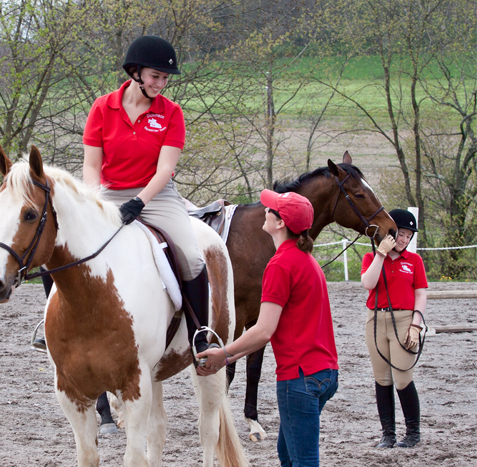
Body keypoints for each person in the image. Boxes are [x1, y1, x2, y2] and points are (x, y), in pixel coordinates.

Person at [82, 34, 216, 360]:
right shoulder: (102, 107)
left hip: (156, 196)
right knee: (65, 241)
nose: (161, 83)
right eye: (156, 76)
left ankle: (201, 332)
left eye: (165, 78)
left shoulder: (172, 113)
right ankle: (50, 323)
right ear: (136, 72)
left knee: (190, 253)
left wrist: (139, 202)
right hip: (110, 193)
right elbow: (91, 164)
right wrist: (91, 201)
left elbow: (165, 169)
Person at [197, 190, 339, 467]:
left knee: (303, 461)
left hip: (298, 378)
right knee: (287, 453)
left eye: (271, 208)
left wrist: (223, 352)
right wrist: (229, 358)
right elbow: (270, 330)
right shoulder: (308, 262)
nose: (265, 209)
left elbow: (262, 330)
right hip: (324, 373)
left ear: (280, 223)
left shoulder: (279, 265)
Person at [360, 209, 427, 449]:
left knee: (402, 377)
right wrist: (381, 254)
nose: (405, 240)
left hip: (404, 320)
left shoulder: (414, 261)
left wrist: (416, 325)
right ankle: (388, 433)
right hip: (376, 320)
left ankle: (413, 433)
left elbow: (420, 294)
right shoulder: (371, 258)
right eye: (402, 234)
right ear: (391, 232)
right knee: (382, 378)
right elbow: (368, 283)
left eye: (409, 236)